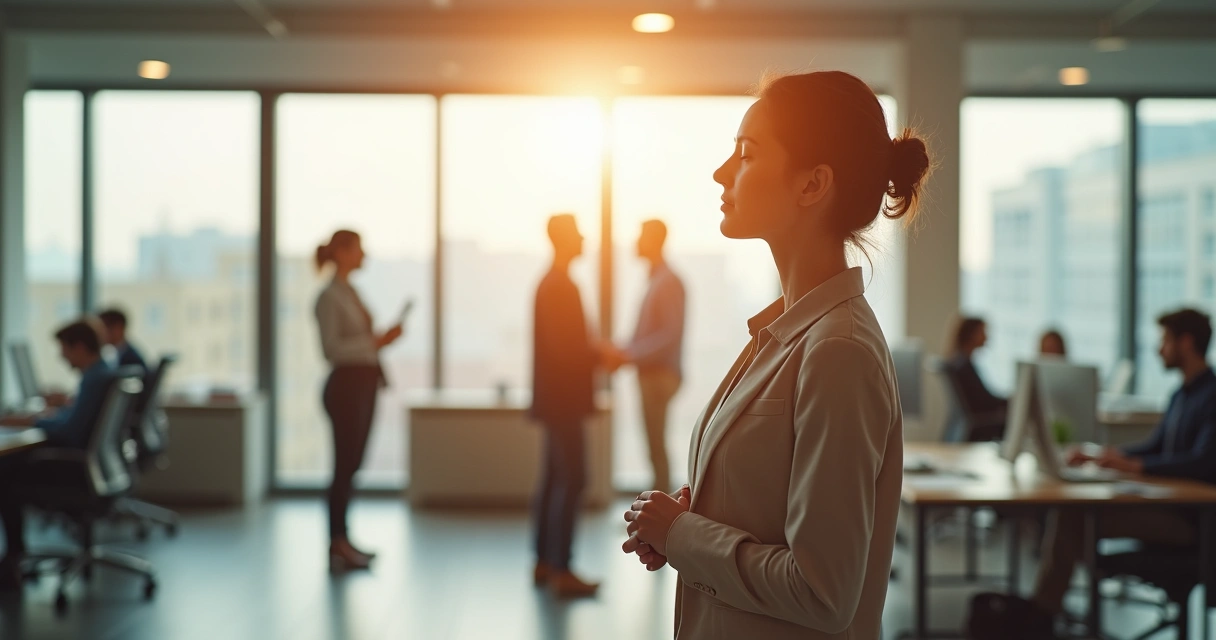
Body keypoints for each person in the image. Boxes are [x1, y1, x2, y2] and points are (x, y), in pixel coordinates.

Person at [621, 70, 930, 639]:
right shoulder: (787, 334)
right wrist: (699, 517)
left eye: (745, 153)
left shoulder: (838, 350)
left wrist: (684, 534)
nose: (720, 172)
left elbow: (822, 590)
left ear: (812, 185)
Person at [1023, 308, 1216, 635]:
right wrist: (1107, 455)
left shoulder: (1211, 396)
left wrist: (1137, 466)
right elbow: (1156, 446)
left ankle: (1042, 616)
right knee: (1072, 514)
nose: (1159, 349)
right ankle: (1050, 611)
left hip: (1189, 519)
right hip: (1164, 507)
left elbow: (1204, 462)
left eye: (1165, 340)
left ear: (1186, 342)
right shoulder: (1182, 394)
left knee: (1073, 517)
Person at [0, 318, 115, 589]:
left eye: (63, 349)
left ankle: (14, 556)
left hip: (75, 467)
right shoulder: (102, 373)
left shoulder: (95, 379)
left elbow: (71, 432)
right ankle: (15, 554)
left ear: (78, 346)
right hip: (94, 466)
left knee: (5, 472)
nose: (61, 356)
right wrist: (59, 410)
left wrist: (29, 420)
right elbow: (77, 421)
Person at [313, 229, 403, 573]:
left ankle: (344, 539)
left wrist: (378, 342)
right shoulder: (328, 297)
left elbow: (363, 341)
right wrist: (374, 343)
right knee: (343, 466)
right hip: (345, 389)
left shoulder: (351, 292)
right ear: (343, 252)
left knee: (352, 465)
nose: (364, 254)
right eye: (359, 249)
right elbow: (331, 350)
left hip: (364, 387)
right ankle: (337, 541)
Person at [531, 214, 603, 598]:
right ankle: (561, 568)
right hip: (564, 400)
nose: (584, 238)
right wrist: (599, 354)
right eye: (578, 232)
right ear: (562, 239)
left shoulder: (552, 282)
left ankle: (545, 561)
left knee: (553, 479)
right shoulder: (561, 285)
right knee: (573, 478)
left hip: (554, 399)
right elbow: (567, 349)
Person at [605, 219, 686, 494]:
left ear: (654, 240)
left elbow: (669, 335)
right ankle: (658, 513)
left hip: (658, 376)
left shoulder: (668, 281)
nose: (635, 242)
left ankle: (662, 518)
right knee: (653, 446)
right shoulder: (657, 280)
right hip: (652, 374)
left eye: (641, 236)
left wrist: (629, 356)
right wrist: (624, 351)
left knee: (656, 446)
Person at [943, 316, 1007, 441]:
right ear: (971, 334)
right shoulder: (964, 367)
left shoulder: (960, 362)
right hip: (978, 427)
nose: (987, 337)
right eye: (983, 332)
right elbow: (985, 402)